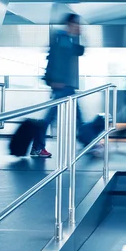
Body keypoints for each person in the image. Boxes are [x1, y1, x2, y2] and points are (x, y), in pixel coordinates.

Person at [32, 14, 84, 158]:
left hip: (63, 84)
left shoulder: (64, 38)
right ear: (70, 24)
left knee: (73, 115)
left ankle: (37, 146)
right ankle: (37, 146)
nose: (79, 27)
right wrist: (54, 80)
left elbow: (78, 51)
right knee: (53, 116)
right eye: (77, 24)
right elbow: (58, 59)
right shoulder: (63, 39)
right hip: (61, 84)